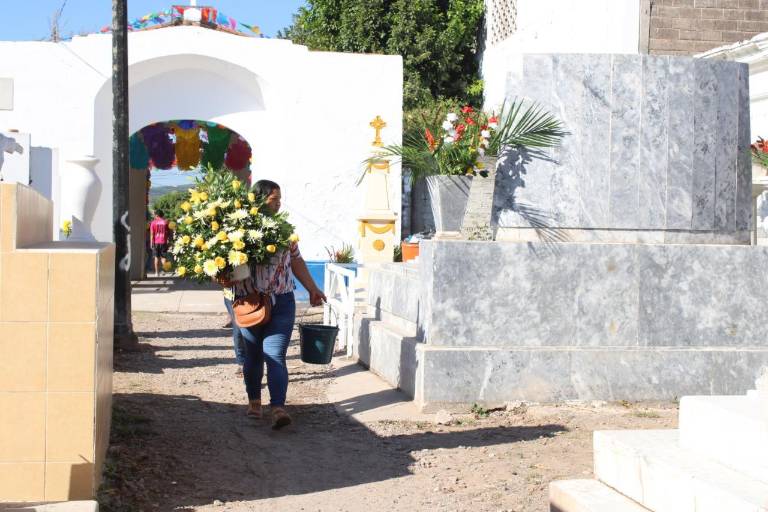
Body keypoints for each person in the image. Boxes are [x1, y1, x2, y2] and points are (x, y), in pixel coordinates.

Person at [222, 179, 326, 429]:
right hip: (249, 302)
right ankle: (254, 401)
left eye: (280, 200)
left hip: (282, 301)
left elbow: (297, 261)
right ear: (257, 200)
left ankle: (278, 406)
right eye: (273, 200)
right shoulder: (238, 231)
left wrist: (313, 288)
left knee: (275, 353)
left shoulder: (285, 231)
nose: (278, 205)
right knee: (254, 354)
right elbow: (223, 267)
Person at [149, 209, 169, 277]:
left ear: (157, 215)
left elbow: (152, 234)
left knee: (156, 257)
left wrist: (151, 243)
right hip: (163, 241)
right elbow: (168, 233)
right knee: (163, 257)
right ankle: (164, 271)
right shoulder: (165, 222)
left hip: (156, 242)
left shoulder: (153, 223)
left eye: (155, 215)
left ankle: (157, 273)